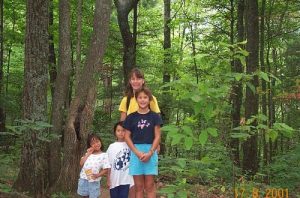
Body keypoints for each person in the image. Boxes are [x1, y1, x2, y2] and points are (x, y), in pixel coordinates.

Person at [123, 87, 163, 198]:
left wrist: (150, 152)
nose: (142, 100)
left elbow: (158, 136)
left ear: (149, 99)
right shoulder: (131, 117)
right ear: (136, 99)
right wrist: (137, 152)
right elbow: (126, 136)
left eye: (145, 97)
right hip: (136, 153)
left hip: (151, 151)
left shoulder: (155, 117)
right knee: (138, 187)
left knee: (149, 186)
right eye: (140, 97)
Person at [77, 133, 110, 198]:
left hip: (94, 180)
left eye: (97, 141)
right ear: (90, 145)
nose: (96, 144)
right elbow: (81, 163)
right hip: (84, 178)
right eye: (93, 143)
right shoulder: (88, 153)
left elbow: (106, 169)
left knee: (94, 196)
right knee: (85, 196)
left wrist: (98, 175)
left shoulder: (104, 155)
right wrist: (88, 153)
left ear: (100, 141)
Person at [106, 121, 134, 198]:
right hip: (114, 179)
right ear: (115, 132)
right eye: (118, 130)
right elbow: (109, 164)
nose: (121, 133)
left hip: (126, 179)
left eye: (123, 130)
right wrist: (108, 179)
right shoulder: (111, 147)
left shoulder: (131, 145)